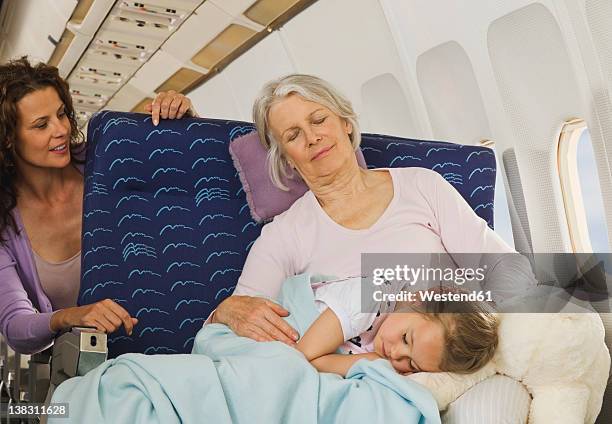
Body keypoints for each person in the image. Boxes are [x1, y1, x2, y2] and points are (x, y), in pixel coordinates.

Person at [209, 73, 535, 420]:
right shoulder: (284, 235)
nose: (312, 137)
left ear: (346, 123)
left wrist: (475, 329)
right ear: (287, 159)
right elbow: (237, 321)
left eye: (319, 119)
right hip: (362, 381)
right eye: (293, 135)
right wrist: (227, 309)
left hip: (459, 360)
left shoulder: (421, 186)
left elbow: (505, 266)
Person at [0, 56, 195, 354]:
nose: (61, 130)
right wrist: (69, 316)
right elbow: (16, 326)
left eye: (62, 114)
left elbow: (184, 181)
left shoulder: (108, 157)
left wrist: (182, 119)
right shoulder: (4, 223)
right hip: (94, 362)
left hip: (169, 333)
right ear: (9, 139)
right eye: (41, 125)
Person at [297, 277, 499, 377]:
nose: (394, 354)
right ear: (417, 298)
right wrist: (373, 360)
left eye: (412, 364)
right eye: (406, 339)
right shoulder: (366, 297)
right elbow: (303, 359)